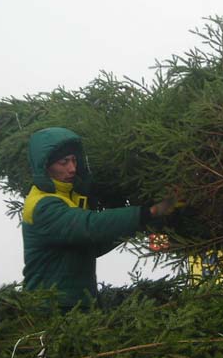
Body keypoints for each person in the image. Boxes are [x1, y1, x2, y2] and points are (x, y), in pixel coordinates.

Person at [22, 127, 174, 309]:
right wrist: (148, 212)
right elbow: (90, 226)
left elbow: (92, 246)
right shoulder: (42, 205)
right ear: (45, 166)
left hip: (79, 307)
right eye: (63, 162)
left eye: (74, 160)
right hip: (50, 309)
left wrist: (137, 224)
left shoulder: (71, 198)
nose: (72, 168)